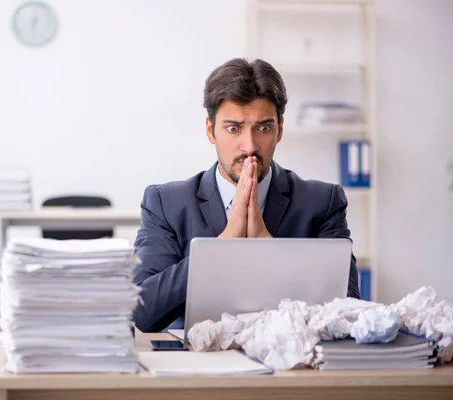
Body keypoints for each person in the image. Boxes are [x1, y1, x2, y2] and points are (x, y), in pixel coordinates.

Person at [132, 58, 360, 333]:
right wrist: (221, 248)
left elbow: (347, 312)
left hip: (291, 369)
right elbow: (143, 313)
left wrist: (269, 248)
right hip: (199, 366)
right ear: (210, 130)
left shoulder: (323, 202)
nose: (250, 146)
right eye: (233, 128)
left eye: (263, 128)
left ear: (280, 130)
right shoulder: (166, 203)